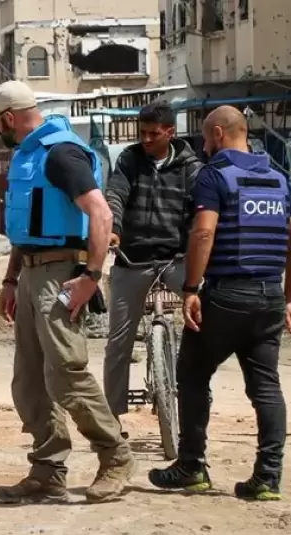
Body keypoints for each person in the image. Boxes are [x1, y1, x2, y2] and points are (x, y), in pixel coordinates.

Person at [0, 80, 134, 504]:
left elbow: (100, 214)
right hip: (32, 274)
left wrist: (90, 277)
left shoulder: (61, 153)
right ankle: (47, 472)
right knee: (30, 381)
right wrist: (11, 281)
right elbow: (26, 227)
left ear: (8, 119)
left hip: (61, 276)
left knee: (66, 373)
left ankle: (116, 456)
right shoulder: (30, 155)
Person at [148, 105, 288, 501]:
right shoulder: (279, 179)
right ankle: (268, 476)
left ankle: (191, 466)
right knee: (266, 386)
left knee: (192, 374)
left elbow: (204, 233)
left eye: (206, 137)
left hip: (227, 295)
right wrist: (288, 299)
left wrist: (191, 288)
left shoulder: (215, 175)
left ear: (219, 134)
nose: (204, 145)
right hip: (270, 295)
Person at [103, 101, 203, 437]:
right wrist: (113, 228)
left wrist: (196, 249)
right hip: (132, 259)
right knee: (118, 341)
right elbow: (115, 195)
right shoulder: (129, 159)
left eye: (153, 133)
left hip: (176, 259)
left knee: (206, 322)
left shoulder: (191, 167)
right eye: (142, 133)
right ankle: (111, 422)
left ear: (170, 132)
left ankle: (196, 403)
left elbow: (200, 213)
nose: (146, 139)